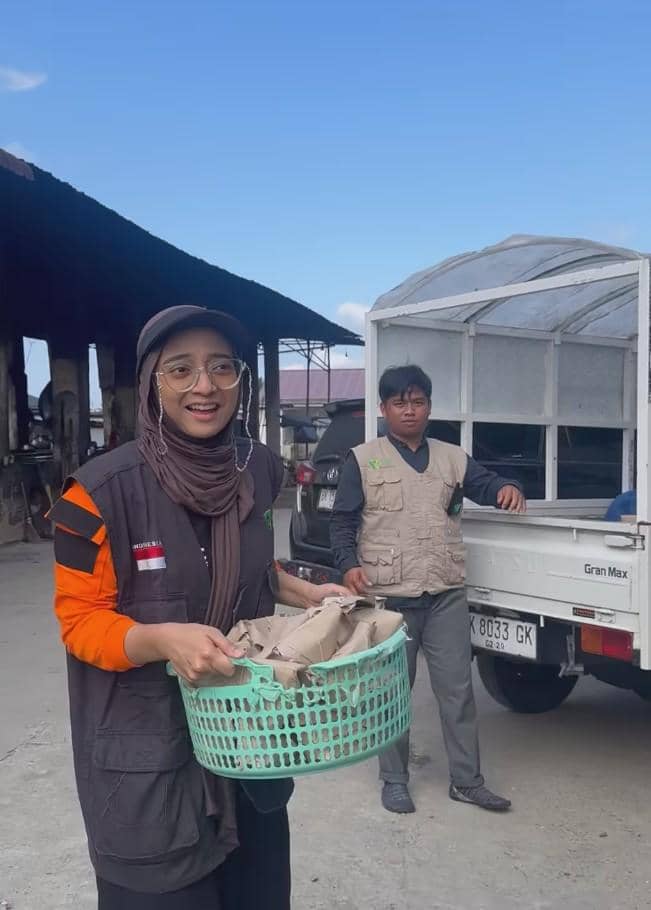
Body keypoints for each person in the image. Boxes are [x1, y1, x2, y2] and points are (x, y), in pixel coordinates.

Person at [49, 305, 349, 910]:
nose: (204, 386)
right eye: (180, 369)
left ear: (241, 379)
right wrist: (163, 641)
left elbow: (251, 572)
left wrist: (306, 592)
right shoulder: (96, 493)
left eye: (221, 368)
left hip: (249, 744)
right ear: (152, 382)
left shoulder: (259, 469)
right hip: (147, 761)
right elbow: (80, 623)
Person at [330, 364, 526, 815]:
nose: (410, 410)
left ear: (430, 407)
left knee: (458, 690)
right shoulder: (363, 459)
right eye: (400, 402)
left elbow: (487, 483)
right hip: (389, 598)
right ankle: (394, 779)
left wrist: (508, 488)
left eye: (418, 401)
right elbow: (342, 522)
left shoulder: (453, 457)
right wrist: (348, 566)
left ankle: (467, 781)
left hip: (445, 594)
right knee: (393, 694)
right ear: (383, 409)